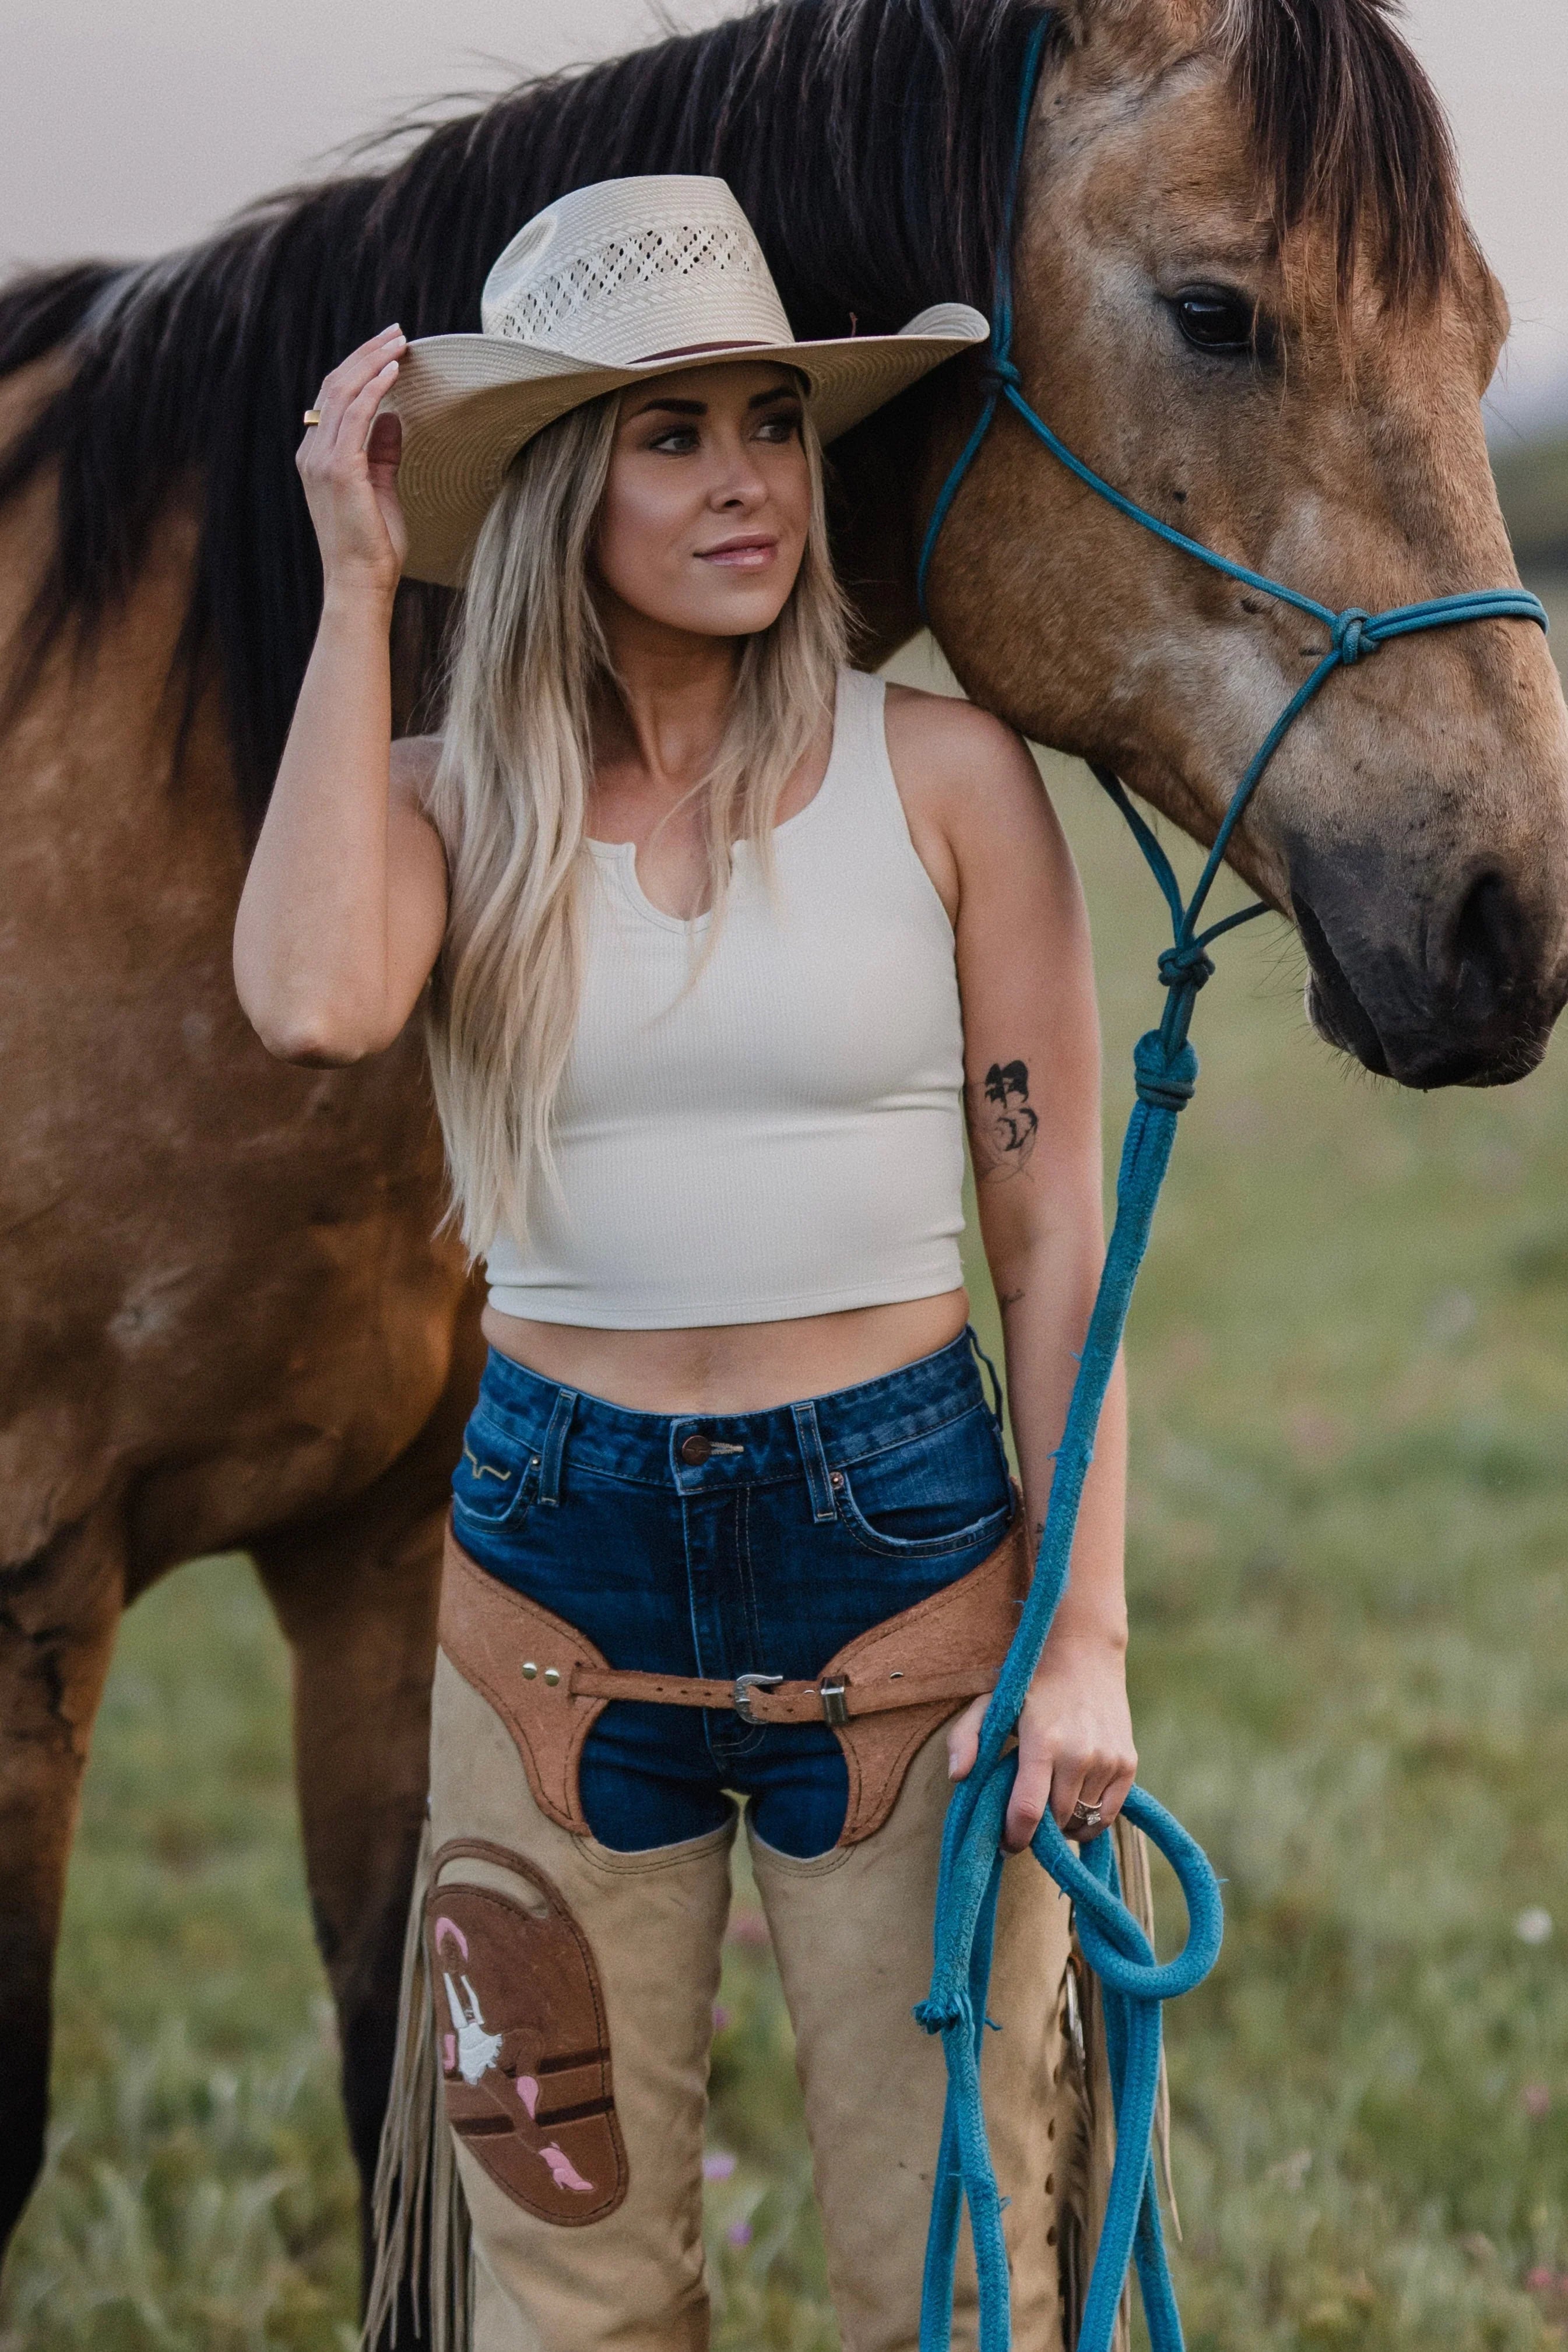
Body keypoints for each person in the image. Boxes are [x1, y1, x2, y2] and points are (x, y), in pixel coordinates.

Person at [234, 174, 1135, 2352]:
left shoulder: (940, 776)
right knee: (563, 2260)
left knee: (944, 2257)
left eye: (764, 419)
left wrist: (1086, 1626)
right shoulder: (453, 804)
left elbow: (1054, 1223)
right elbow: (308, 997)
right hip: (553, 1567)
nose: (745, 477)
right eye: (670, 433)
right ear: (559, 486)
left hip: (906, 1548)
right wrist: (360, 586)